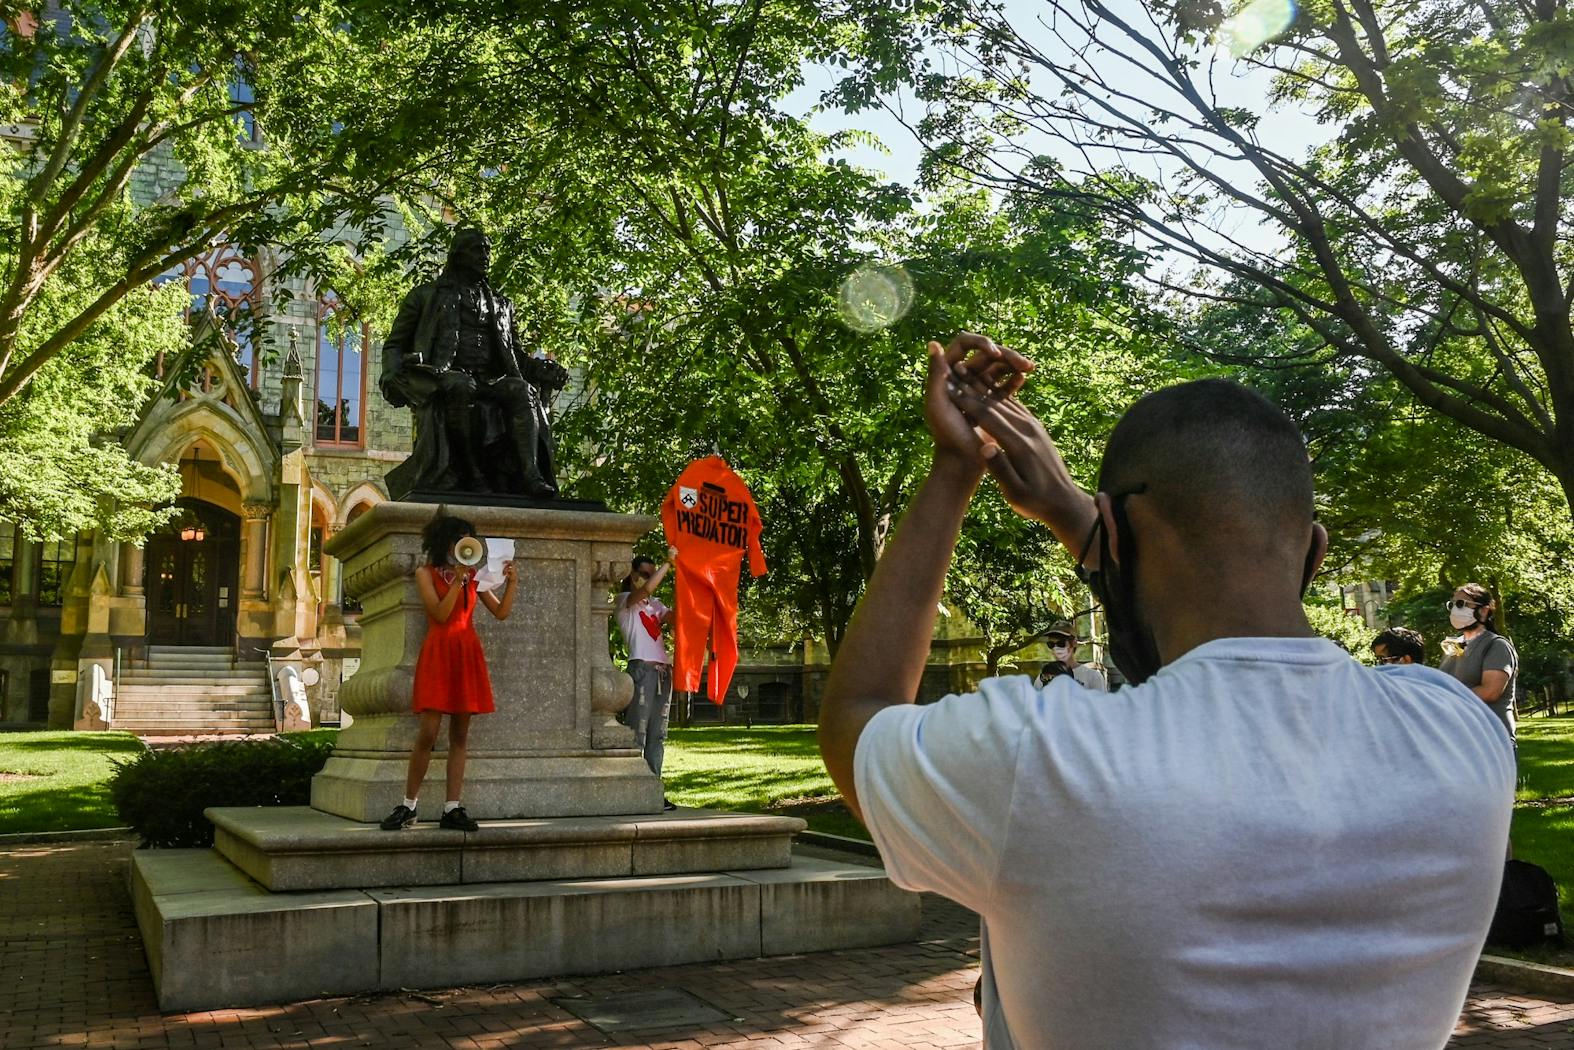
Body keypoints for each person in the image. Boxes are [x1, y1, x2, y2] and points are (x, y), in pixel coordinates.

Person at [817, 333, 1515, 1049]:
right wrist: (1088, 519)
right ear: (1315, 550)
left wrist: (956, 469)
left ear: (1117, 534)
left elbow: (858, 718)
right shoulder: (1462, 735)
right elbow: (1212, 691)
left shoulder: (1041, 760)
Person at [379, 228, 567, 499]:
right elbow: (395, 344)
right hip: (445, 374)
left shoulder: (501, 304)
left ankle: (531, 475)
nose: (485, 256)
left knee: (521, 391)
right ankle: (472, 474)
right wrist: (392, 373)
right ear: (458, 255)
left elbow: (515, 355)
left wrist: (543, 369)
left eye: (488, 250)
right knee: (460, 385)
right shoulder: (426, 296)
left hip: (490, 379)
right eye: (478, 250)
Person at [380, 511, 517, 832]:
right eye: (457, 539)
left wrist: (512, 582)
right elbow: (440, 614)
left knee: (459, 735)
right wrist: (458, 580)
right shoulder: (424, 573)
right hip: (439, 651)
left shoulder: (475, 578)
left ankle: (451, 808)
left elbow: (501, 612)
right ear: (444, 542)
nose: (463, 545)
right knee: (428, 731)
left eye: (466, 539)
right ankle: (408, 805)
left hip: (466, 651)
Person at [615, 549, 679, 809]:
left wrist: (683, 583)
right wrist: (667, 564)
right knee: (638, 733)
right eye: (644, 574)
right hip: (642, 669)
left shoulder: (655, 606)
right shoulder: (624, 600)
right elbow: (643, 592)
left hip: (663, 672)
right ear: (632, 575)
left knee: (657, 736)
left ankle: (653, 790)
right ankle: (631, 790)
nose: (650, 579)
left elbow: (674, 617)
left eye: (652, 575)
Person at [1440, 582, 1520, 743]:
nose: (1456, 609)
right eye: (1453, 604)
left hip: (1492, 740)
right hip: (1459, 740)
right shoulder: (1453, 646)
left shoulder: (1496, 645)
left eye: (1461, 604)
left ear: (1483, 611)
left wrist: (1446, 696)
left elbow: (1490, 691)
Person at [1037, 620, 1107, 691]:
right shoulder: (1042, 678)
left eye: (1061, 643)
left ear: (1074, 643)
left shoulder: (1093, 677)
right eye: (1051, 644)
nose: (1056, 648)